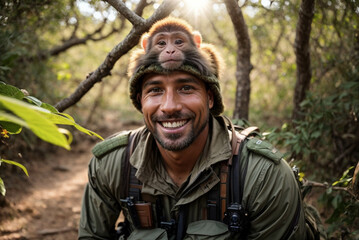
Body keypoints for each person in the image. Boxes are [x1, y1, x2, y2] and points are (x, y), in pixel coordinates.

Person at [78, 37, 307, 240]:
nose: (169, 107)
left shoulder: (263, 176)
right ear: (141, 102)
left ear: (209, 98)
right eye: (155, 90)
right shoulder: (112, 164)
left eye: (186, 88)